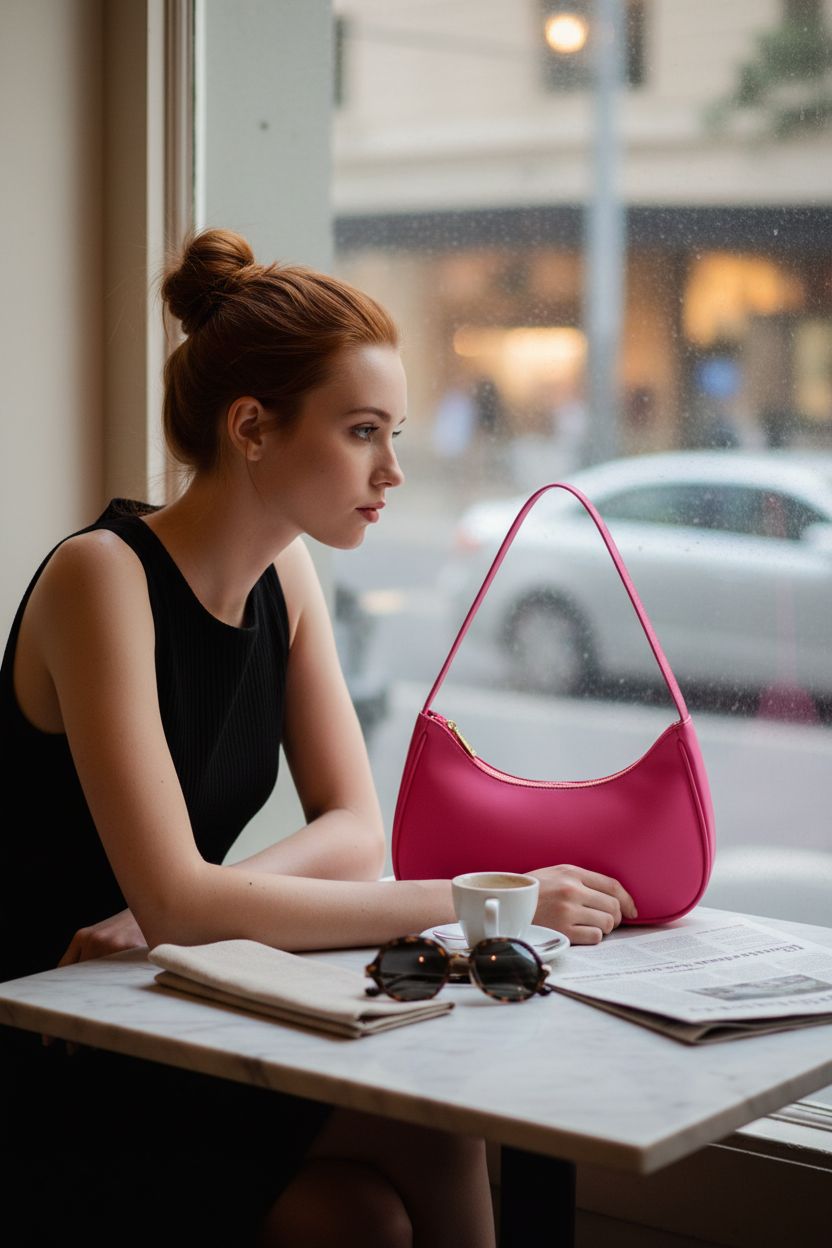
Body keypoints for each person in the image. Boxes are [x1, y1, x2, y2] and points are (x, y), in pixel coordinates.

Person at [0, 228, 637, 1247]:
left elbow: (351, 830)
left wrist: (184, 908)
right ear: (251, 426)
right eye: (362, 432)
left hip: (167, 1006)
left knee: (359, 1219)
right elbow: (182, 901)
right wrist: (489, 899)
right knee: (429, 1130)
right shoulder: (99, 578)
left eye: (391, 432)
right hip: (53, 1050)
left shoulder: (285, 580)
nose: (392, 470)